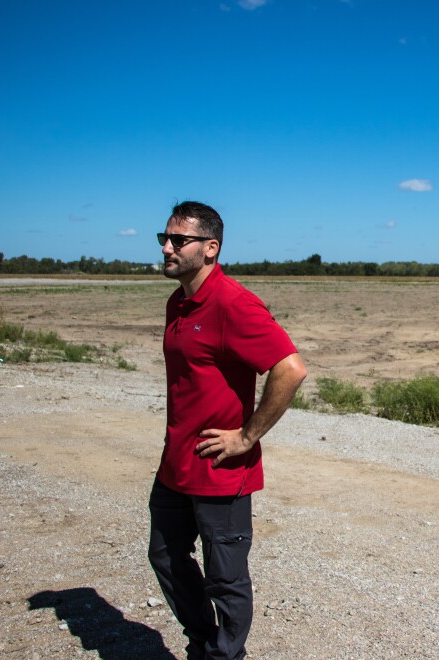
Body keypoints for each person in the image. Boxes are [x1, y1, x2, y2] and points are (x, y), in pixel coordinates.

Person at [148, 201, 307, 659]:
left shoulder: (234, 303)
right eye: (165, 237)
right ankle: (203, 645)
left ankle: (225, 655)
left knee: (225, 579)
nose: (167, 247)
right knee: (166, 558)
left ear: (210, 248)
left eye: (179, 240)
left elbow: (290, 369)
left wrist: (245, 436)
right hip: (175, 464)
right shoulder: (177, 303)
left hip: (221, 470)